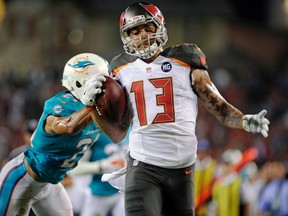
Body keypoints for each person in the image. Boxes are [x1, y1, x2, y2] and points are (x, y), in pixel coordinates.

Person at [106, 2, 270, 216]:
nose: (143, 35)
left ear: (160, 27)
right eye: (135, 31)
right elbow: (118, 125)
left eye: (148, 28)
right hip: (143, 164)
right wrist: (95, 103)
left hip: (182, 168)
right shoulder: (120, 68)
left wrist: (245, 120)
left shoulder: (185, 58)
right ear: (126, 37)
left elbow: (219, 107)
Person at [0, 53, 131, 215]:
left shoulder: (97, 109)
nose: (109, 84)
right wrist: (90, 106)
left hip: (50, 183)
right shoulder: (61, 103)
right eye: (102, 80)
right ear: (81, 81)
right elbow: (68, 127)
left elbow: (117, 137)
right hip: (21, 178)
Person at [67, 131, 129, 216]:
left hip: (125, 191)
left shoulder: (132, 127)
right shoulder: (94, 132)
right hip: (99, 192)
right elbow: (73, 169)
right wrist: (101, 166)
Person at [194, 139, 217, 216]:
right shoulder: (193, 165)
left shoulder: (212, 166)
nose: (200, 154)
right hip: (194, 202)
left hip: (207, 202)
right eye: (199, 151)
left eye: (203, 151)